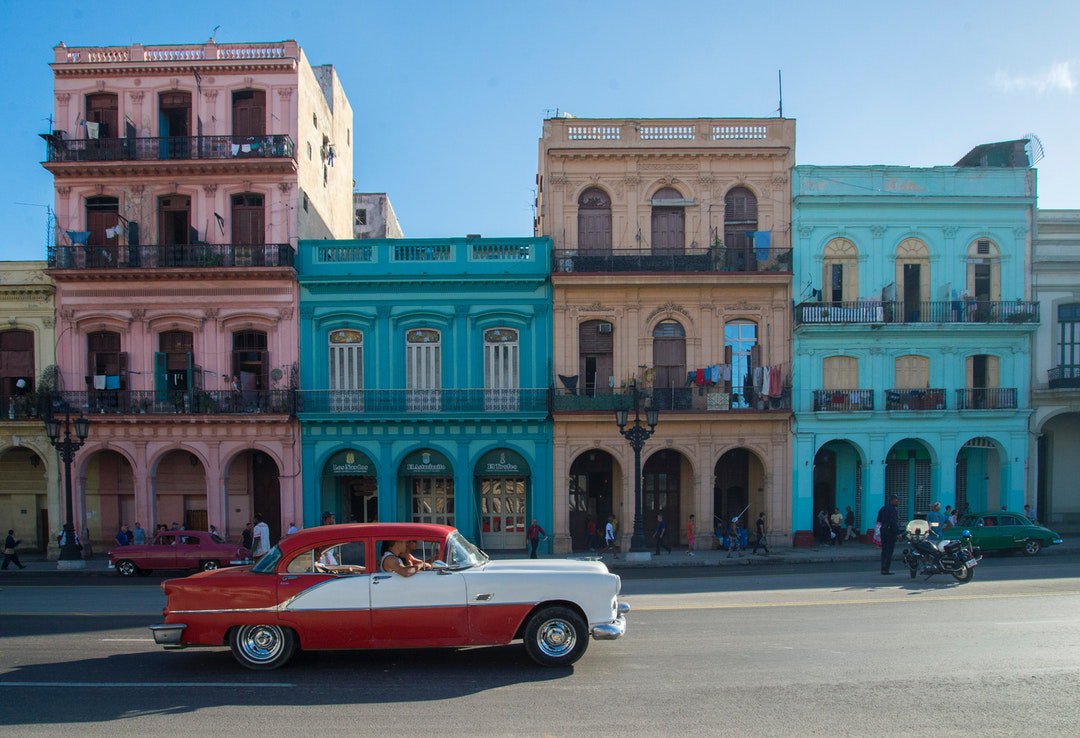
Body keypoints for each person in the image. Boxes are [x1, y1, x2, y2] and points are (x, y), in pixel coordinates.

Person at [876, 494, 900, 575]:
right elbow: (893, 522)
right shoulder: (893, 510)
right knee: (889, 551)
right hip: (890, 532)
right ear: (892, 500)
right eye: (896, 500)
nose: (898, 502)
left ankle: (883, 568)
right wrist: (897, 533)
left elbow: (878, 520)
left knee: (884, 550)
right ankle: (886, 569)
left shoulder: (883, 508)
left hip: (883, 530)